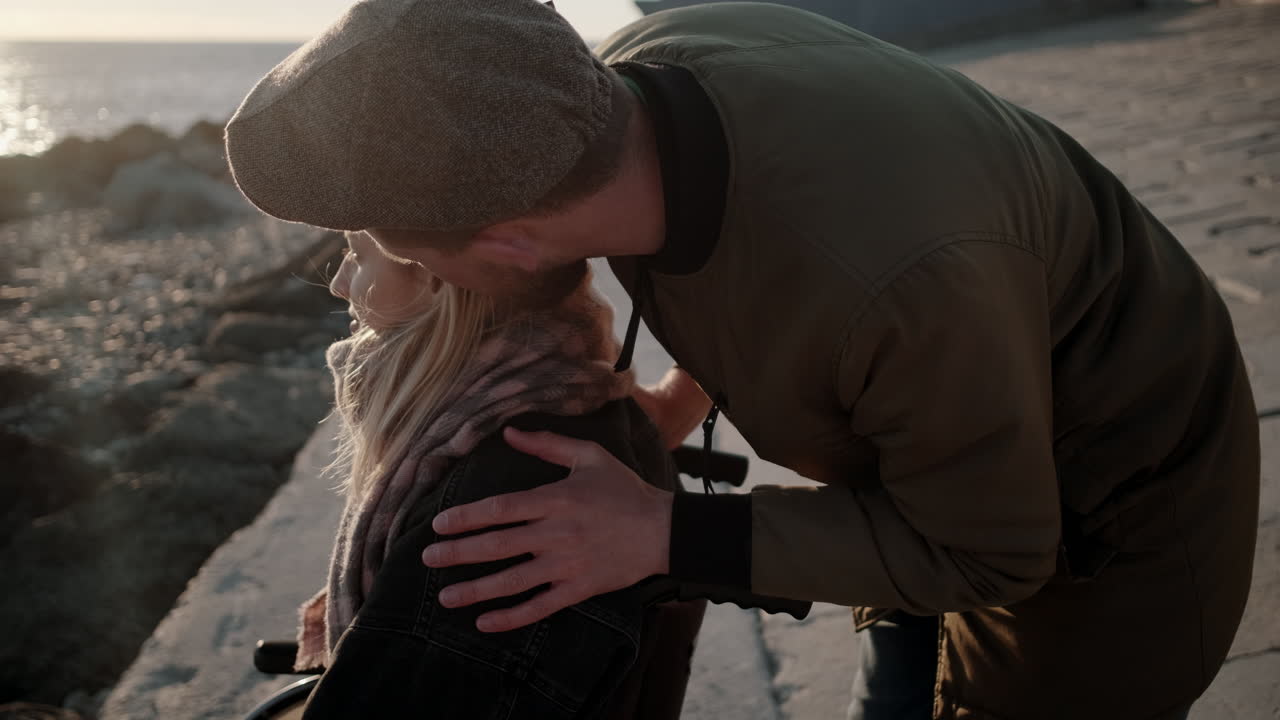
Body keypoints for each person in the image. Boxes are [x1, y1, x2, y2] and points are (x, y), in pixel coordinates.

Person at [224, 1, 1261, 718]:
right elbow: (745, 258)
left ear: (506, 247)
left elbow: (994, 552)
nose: (374, 273)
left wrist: (663, 532)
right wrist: (668, 410)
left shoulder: (886, 276)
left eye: (404, 251)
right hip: (949, 401)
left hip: (1113, 499)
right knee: (900, 669)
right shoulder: (632, 90)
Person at [294, 228, 706, 718]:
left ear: (435, 275)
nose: (340, 283)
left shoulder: (499, 498)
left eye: (356, 255)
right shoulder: (568, 385)